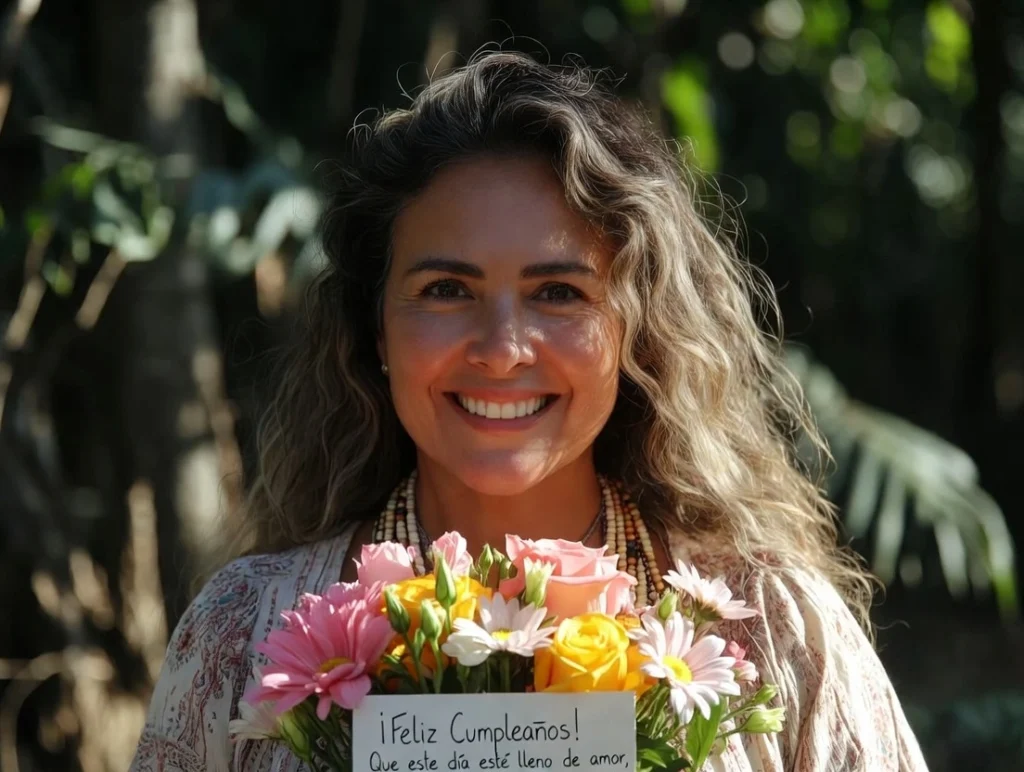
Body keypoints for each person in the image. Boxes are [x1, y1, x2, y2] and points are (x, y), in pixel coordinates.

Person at [129, 51, 928, 771]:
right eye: (446, 291)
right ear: (375, 329)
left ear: (635, 334)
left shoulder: (775, 636)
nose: (502, 348)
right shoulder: (246, 634)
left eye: (558, 293)